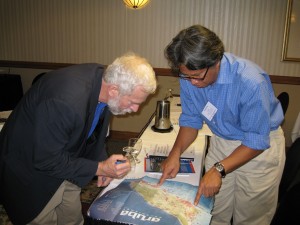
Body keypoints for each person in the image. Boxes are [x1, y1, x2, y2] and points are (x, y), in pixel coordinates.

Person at [0, 52, 157, 225]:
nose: (136, 109)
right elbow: (45, 160)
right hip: (30, 172)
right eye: (133, 102)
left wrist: (102, 162)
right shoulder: (65, 101)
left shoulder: (104, 82)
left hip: (67, 161)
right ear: (114, 90)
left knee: (73, 219)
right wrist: (100, 168)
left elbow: (92, 131)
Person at [158, 25, 285, 225]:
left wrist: (218, 169)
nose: (192, 83)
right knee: (213, 211)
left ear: (216, 61)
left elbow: (256, 140)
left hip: (258, 148)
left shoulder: (251, 81)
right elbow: (191, 119)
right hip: (222, 141)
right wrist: (175, 154)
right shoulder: (190, 74)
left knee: (251, 218)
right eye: (186, 76)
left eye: (197, 76)